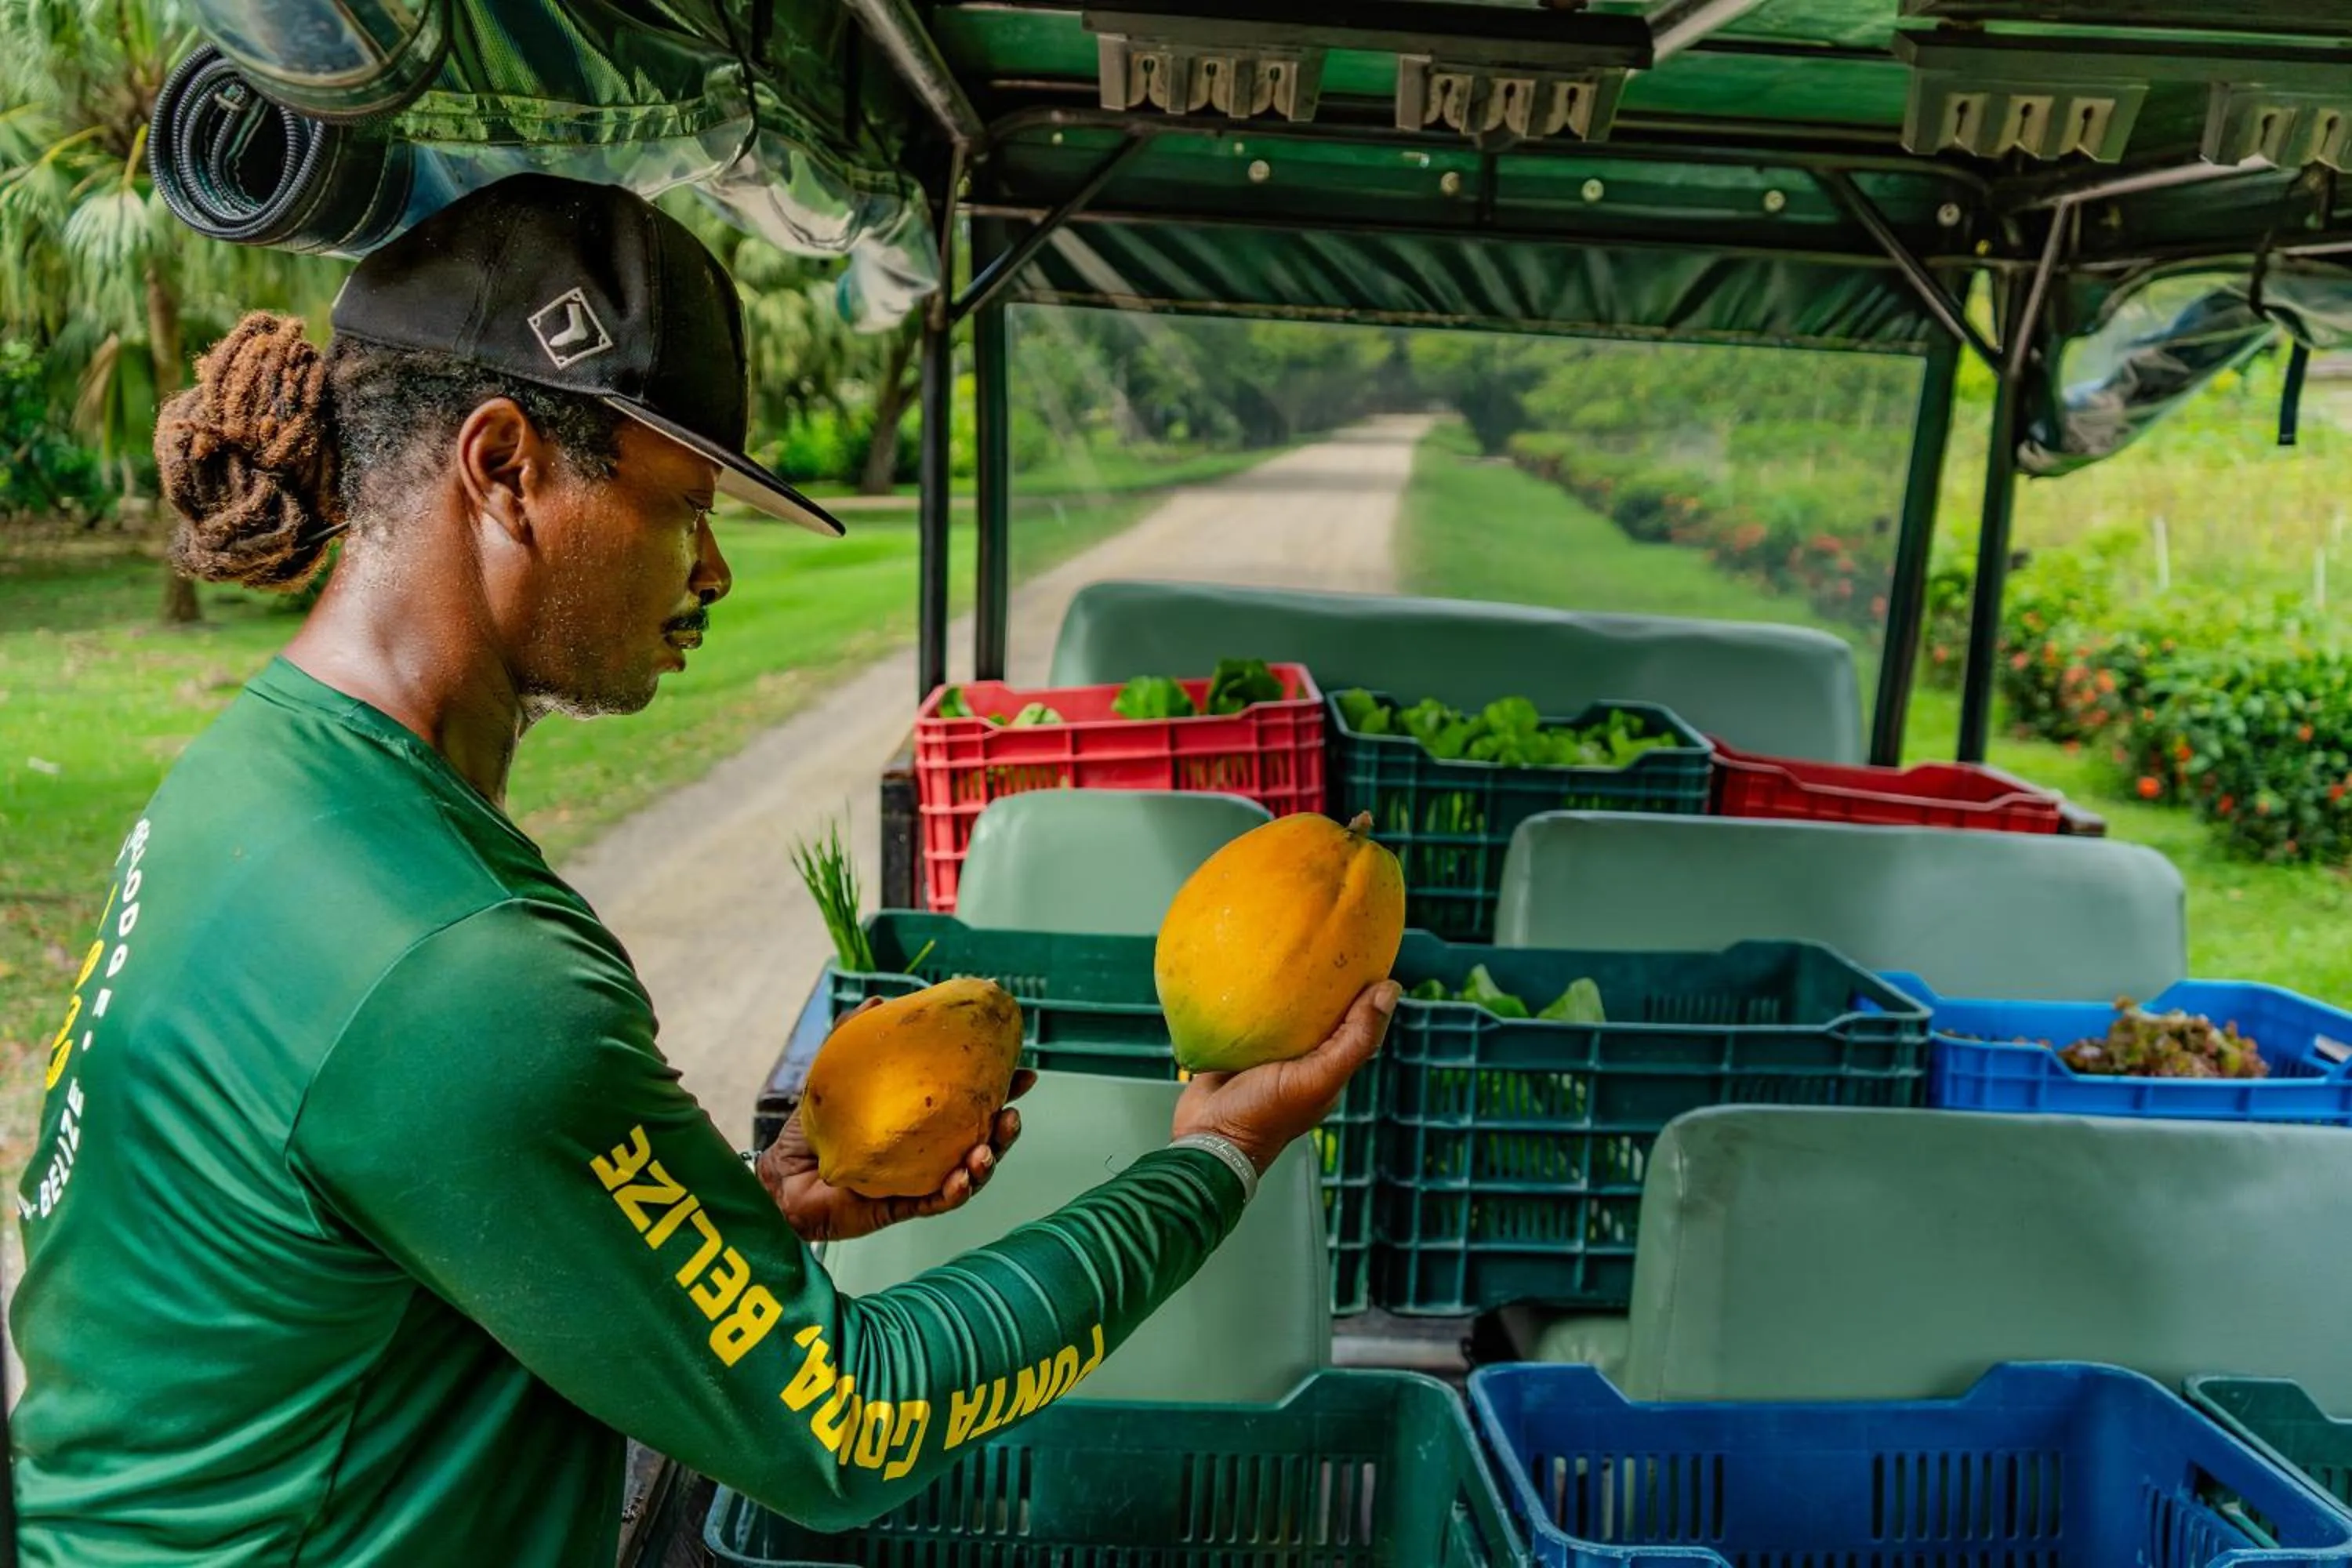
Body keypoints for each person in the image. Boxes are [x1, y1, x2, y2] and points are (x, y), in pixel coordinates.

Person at [7, 174, 1396, 1566]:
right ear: (503, 469)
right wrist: (1222, 1154)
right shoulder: (461, 961)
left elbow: (343, 1246)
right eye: (684, 504)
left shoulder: (252, 778)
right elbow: (849, 1427)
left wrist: (734, 1219)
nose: (715, 569)